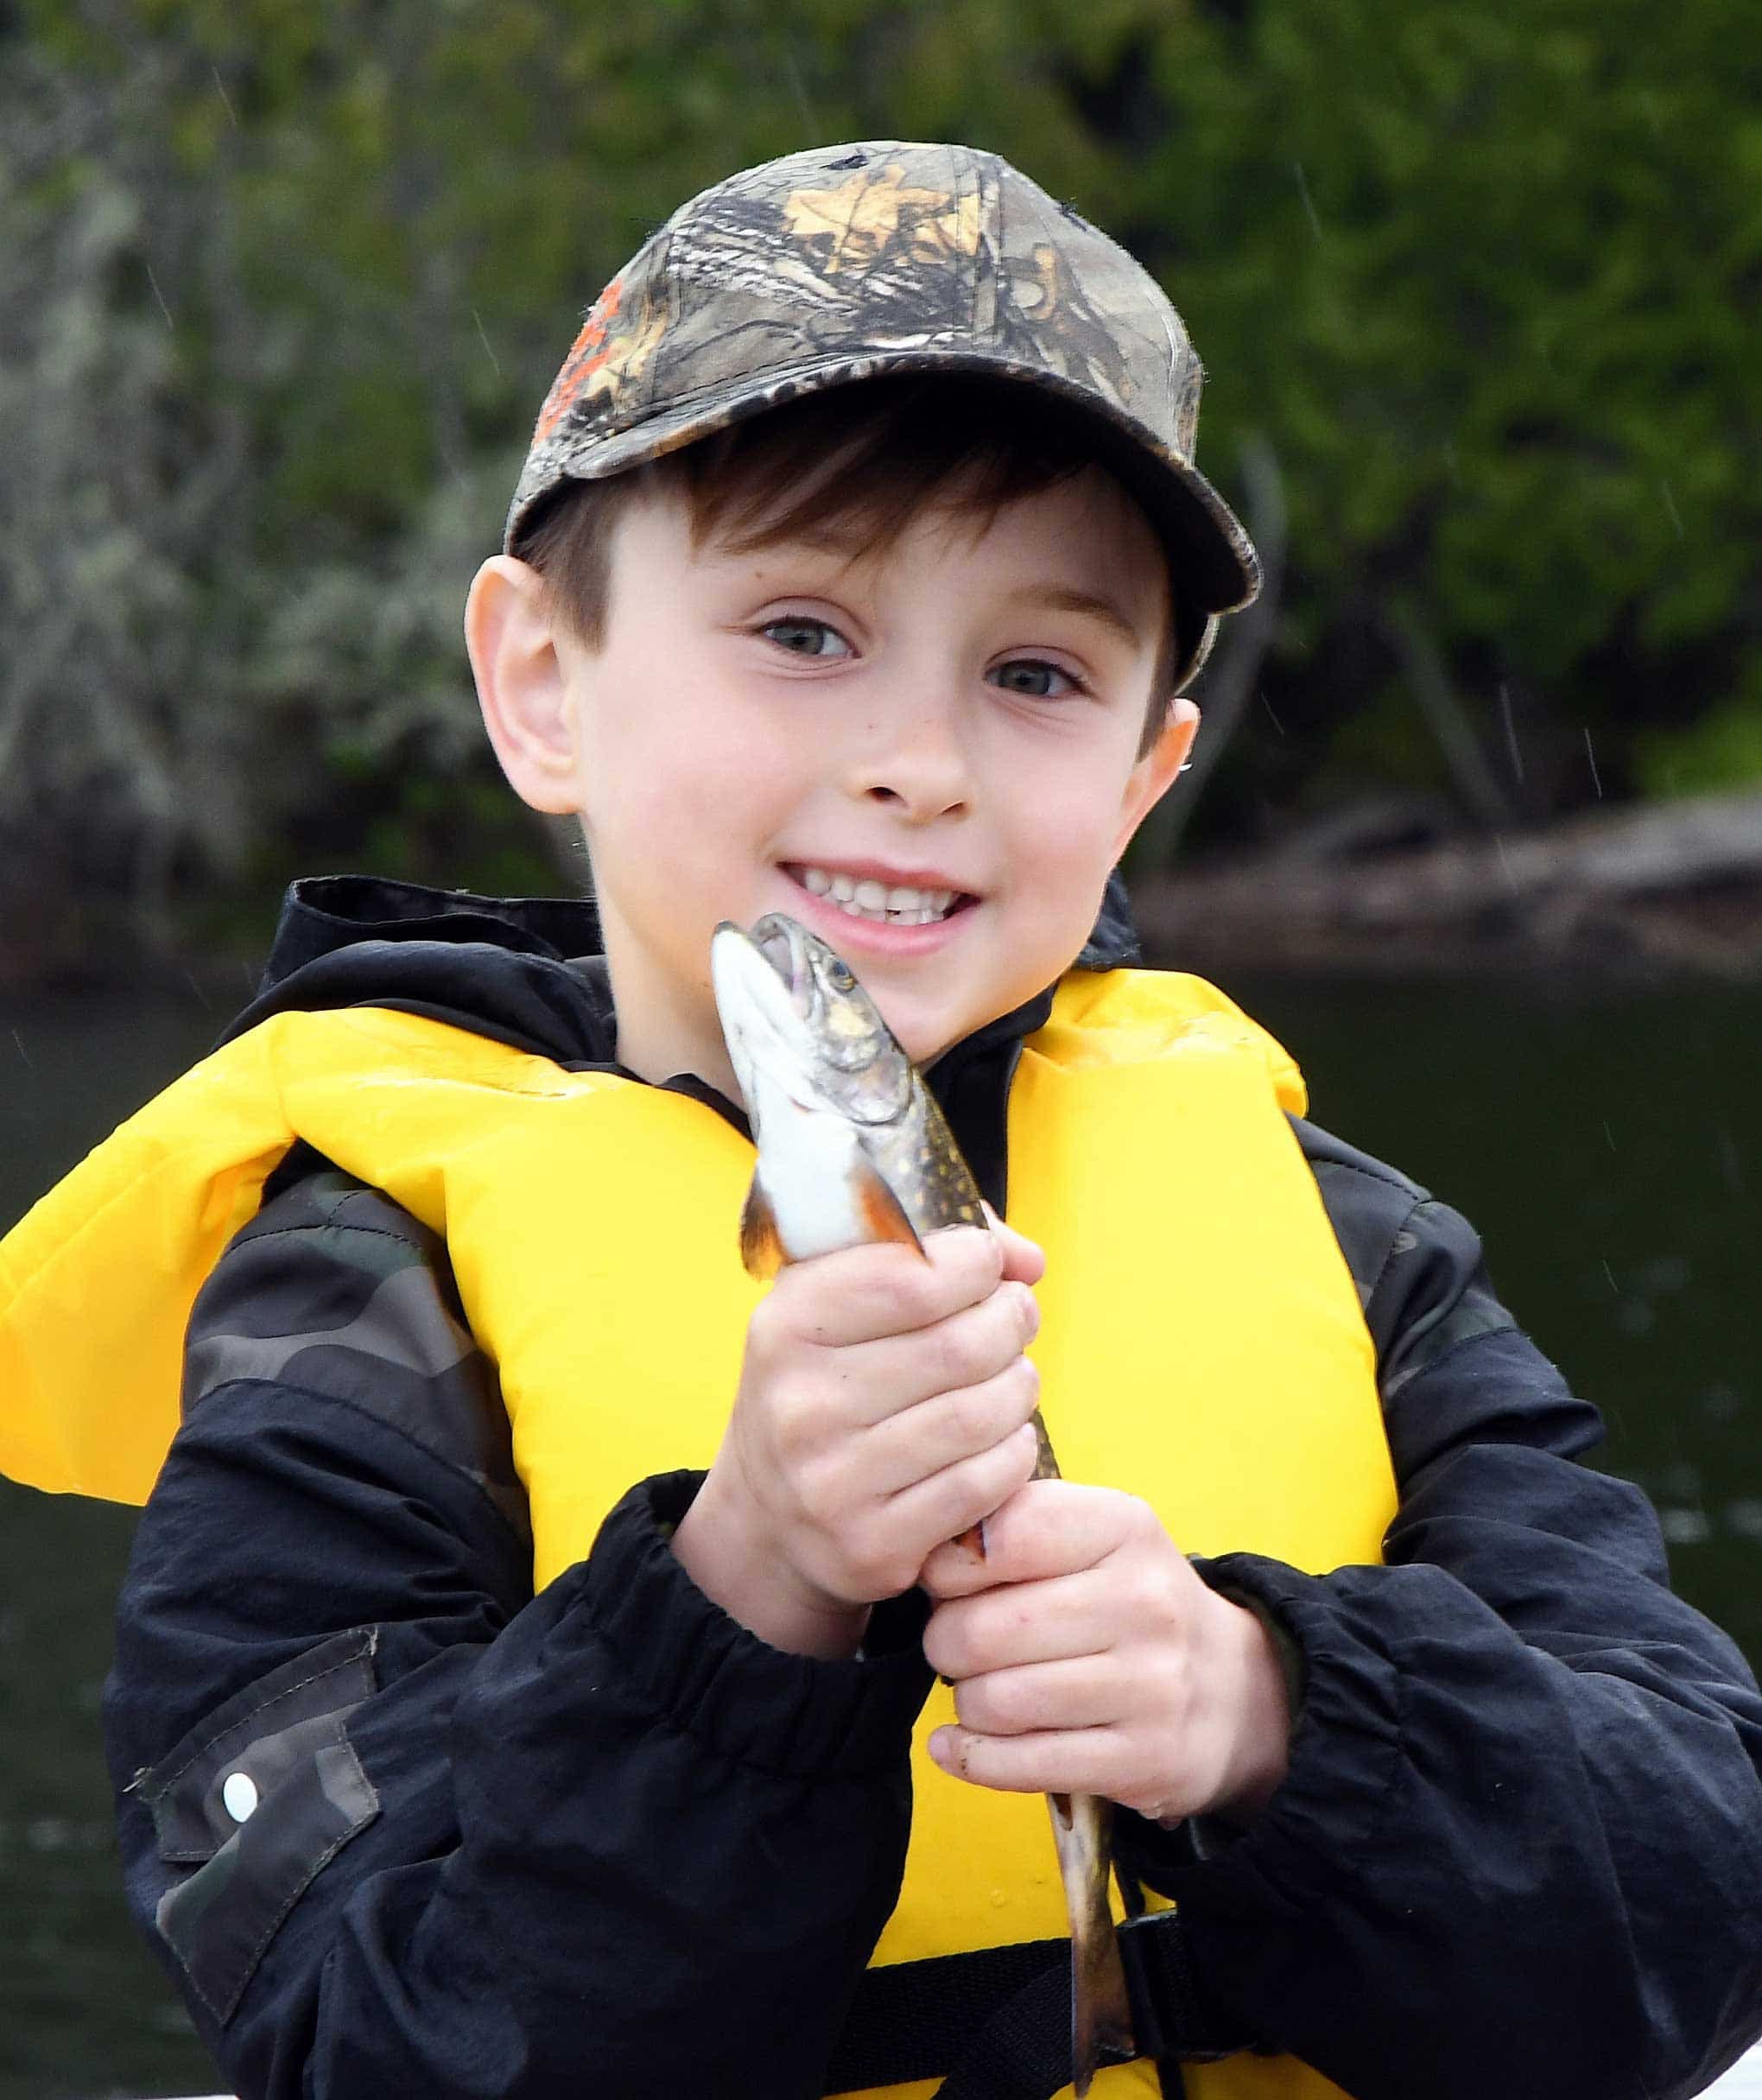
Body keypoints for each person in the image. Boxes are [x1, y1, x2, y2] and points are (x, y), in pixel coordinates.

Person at [4, 140, 1758, 2100]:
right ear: (542, 681)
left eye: (1034, 672)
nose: (918, 763)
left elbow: (1700, 1905)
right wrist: (745, 1599)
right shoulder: (349, 1311)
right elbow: (370, 2048)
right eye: (806, 632)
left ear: (1147, 773)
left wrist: (1268, 1712)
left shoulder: (1358, 1245)